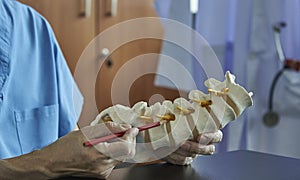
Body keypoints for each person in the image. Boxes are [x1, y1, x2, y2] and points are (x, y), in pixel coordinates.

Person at [0, 0, 222, 179]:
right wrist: (44, 164)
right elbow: (55, 160)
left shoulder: (33, 29)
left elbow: (71, 151)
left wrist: (152, 144)